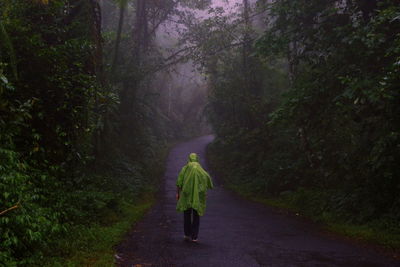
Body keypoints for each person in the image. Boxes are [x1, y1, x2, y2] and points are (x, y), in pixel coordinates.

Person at [176, 153, 213, 243]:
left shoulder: (185, 168)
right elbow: (206, 178)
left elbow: (179, 182)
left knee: (187, 214)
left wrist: (178, 193)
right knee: (196, 216)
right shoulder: (200, 169)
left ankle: (186, 234)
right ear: (197, 159)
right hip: (198, 196)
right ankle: (194, 237)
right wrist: (205, 192)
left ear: (189, 159)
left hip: (186, 195)